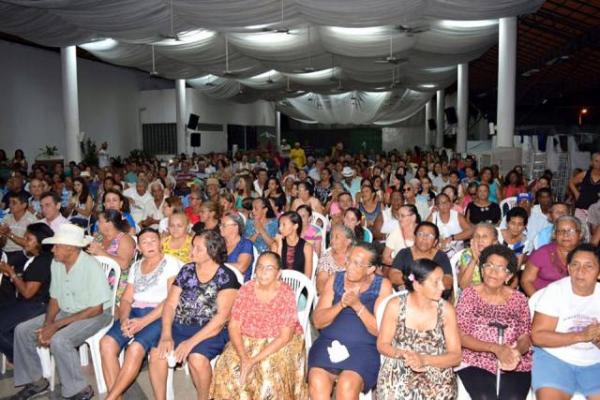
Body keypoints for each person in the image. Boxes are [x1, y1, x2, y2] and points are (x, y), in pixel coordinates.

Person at [11, 224, 112, 400]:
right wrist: (47, 324)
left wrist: (56, 325)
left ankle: (79, 390)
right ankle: (36, 382)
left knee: (60, 340)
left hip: (96, 314)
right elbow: (55, 299)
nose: (52, 249)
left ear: (71, 248)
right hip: (68, 311)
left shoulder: (90, 266)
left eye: (57, 246)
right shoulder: (57, 263)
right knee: (23, 330)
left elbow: (97, 308)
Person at [148, 230, 241, 400]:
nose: (191, 252)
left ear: (212, 252)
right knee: (156, 354)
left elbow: (220, 319)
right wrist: (166, 334)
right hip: (181, 325)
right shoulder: (187, 270)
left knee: (197, 358)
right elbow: (170, 304)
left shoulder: (226, 277)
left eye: (198, 249)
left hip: (211, 330)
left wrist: (190, 343)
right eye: (193, 247)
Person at [210, 252, 308, 399]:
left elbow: (285, 336)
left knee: (268, 373)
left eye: (269, 268)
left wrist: (253, 361)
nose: (263, 271)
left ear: (278, 273)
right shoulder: (246, 289)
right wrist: (244, 357)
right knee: (226, 367)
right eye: (260, 267)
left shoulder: (285, 293)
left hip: (278, 341)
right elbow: (234, 325)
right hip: (248, 338)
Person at [100, 228, 181, 400]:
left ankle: (111, 397)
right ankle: (117, 397)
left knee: (135, 349)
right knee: (106, 343)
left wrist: (142, 322)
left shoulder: (171, 263)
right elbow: (127, 299)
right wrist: (124, 320)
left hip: (160, 314)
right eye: (145, 241)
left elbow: (170, 300)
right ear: (139, 247)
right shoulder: (136, 266)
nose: (150, 244)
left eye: (153, 240)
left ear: (160, 243)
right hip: (135, 312)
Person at [308, 244, 393, 399]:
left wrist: (357, 305)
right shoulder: (335, 279)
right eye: (349, 260)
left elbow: (381, 331)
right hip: (329, 343)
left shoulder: (382, 285)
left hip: (364, 348)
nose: (349, 267)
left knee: (347, 384)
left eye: (357, 263)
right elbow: (317, 321)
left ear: (370, 269)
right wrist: (341, 304)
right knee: (317, 379)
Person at [377, 259, 461, 399]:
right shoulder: (396, 306)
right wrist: (405, 355)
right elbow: (382, 344)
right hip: (400, 364)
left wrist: (424, 360)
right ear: (417, 285)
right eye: (436, 282)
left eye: (442, 281)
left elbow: (456, 356)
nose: (443, 287)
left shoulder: (446, 310)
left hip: (436, 366)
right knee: (394, 394)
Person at [456, 245, 532, 400]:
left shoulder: (519, 299)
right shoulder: (468, 295)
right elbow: (461, 335)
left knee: (513, 397)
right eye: (488, 265)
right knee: (485, 396)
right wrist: (495, 348)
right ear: (482, 270)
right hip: (475, 358)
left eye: (500, 268)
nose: (493, 272)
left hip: (513, 359)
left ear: (509, 275)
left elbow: (525, 336)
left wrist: (515, 353)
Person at [531, 244, 600, 400]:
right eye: (575, 265)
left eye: (588, 266)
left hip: (595, 361)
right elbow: (537, 337)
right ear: (568, 268)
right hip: (555, 358)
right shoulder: (555, 291)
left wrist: (597, 339)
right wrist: (581, 336)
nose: (580, 271)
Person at [0, 223, 54, 363]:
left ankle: (27, 362)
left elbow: (27, 293)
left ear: (40, 241)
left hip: (38, 305)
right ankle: (22, 358)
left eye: (29, 238)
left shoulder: (42, 261)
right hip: (31, 302)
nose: (25, 241)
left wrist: (11, 273)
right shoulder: (39, 258)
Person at [521, 216, 583, 297]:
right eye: (561, 231)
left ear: (580, 234)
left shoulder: (586, 255)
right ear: (555, 235)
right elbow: (525, 281)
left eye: (571, 231)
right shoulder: (543, 253)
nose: (565, 234)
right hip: (542, 300)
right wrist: (539, 303)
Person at [389, 222, 453, 299]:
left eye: (430, 236)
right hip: (407, 295)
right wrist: (413, 282)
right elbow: (393, 275)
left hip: (433, 297)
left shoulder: (441, 256)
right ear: (415, 237)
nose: (424, 238)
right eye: (420, 234)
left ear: (435, 242)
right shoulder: (404, 253)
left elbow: (448, 280)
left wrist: (426, 287)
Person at [88, 209, 136, 304]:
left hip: (118, 281)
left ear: (109, 223)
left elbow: (124, 264)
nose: (97, 224)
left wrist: (102, 253)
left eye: (100, 221)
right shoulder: (99, 237)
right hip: (98, 277)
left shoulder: (124, 239)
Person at [427, 193, 473, 259]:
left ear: (450, 203)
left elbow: (470, 232)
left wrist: (452, 238)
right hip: (438, 253)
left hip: (457, 254)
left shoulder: (457, 216)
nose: (444, 205)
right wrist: (436, 241)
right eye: (441, 203)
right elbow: (423, 231)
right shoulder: (433, 217)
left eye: (446, 202)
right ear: (436, 206)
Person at [457, 222, 499, 289]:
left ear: (494, 242)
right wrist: (474, 259)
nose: (480, 240)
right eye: (477, 236)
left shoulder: (500, 257)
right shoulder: (467, 255)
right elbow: (463, 286)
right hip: (471, 294)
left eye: (484, 237)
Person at [272, 211, 314, 278]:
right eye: (279, 225)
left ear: (295, 226)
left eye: (284, 225)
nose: (280, 228)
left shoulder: (307, 247)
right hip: (279, 285)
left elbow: (308, 276)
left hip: (300, 286)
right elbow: (275, 272)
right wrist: (280, 246)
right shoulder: (276, 244)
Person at [315, 225, 354, 294]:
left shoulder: (356, 256)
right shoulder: (326, 258)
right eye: (331, 237)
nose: (332, 240)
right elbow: (320, 284)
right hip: (331, 295)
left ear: (348, 241)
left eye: (336, 237)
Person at [568, 152, 600, 224]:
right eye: (596, 161)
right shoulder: (585, 174)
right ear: (592, 162)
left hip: (596, 211)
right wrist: (576, 194)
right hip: (581, 207)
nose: (599, 163)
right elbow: (571, 182)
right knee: (581, 230)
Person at [221, 212, 254, 281]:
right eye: (220, 224)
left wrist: (216, 266)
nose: (220, 227)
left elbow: (241, 267)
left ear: (236, 227)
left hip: (238, 284)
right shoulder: (219, 243)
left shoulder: (246, 244)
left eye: (224, 225)